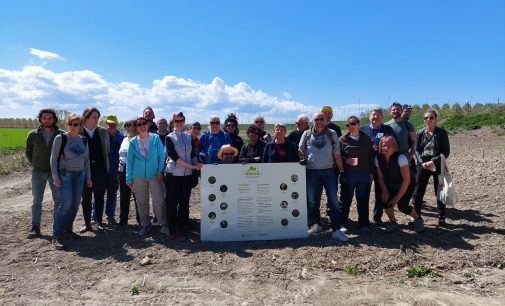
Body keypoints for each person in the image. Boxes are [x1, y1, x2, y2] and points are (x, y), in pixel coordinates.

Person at [298, 112, 348, 241]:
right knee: (313, 201)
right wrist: (302, 158)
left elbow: (337, 154)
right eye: (316, 119)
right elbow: (300, 149)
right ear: (313, 121)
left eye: (322, 119)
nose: (319, 121)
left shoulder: (332, 133)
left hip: (329, 171)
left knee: (333, 201)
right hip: (311, 172)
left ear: (325, 120)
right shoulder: (307, 134)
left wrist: (342, 172)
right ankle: (316, 225)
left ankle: (336, 229)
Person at [50, 114, 92, 250]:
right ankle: (56, 234)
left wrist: (88, 177)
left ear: (80, 126)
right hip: (65, 174)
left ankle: (68, 230)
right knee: (66, 203)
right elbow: (53, 159)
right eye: (70, 124)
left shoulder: (84, 140)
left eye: (76, 124)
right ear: (67, 124)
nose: (73, 127)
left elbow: (86, 161)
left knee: (74, 204)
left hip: (80, 175)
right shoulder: (61, 138)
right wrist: (55, 176)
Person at [25, 109, 63, 239]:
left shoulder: (61, 134)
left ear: (54, 119)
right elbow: (28, 151)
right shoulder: (33, 135)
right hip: (38, 172)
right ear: (40, 119)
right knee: (37, 200)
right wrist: (35, 162)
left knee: (58, 201)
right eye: (44, 118)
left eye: (50, 118)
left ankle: (57, 229)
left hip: (55, 173)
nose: (47, 120)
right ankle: (35, 227)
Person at [126, 117, 167, 236]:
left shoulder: (155, 138)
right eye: (139, 124)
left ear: (147, 124)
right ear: (136, 127)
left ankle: (163, 224)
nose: (142, 126)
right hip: (138, 176)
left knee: (159, 200)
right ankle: (145, 225)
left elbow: (161, 155)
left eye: (144, 123)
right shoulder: (133, 142)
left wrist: (160, 170)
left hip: (155, 174)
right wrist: (129, 178)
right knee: (141, 202)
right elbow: (129, 161)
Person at [165, 112, 203, 241]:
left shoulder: (188, 136)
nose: (179, 123)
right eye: (176, 121)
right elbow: (174, 157)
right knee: (172, 203)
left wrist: (195, 162)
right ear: (173, 122)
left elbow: (192, 153)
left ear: (184, 121)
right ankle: (172, 230)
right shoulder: (169, 137)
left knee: (184, 202)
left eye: (181, 120)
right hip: (173, 174)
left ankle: (182, 228)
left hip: (187, 175)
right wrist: (192, 167)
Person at [375, 136, 424, 233]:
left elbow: (406, 180)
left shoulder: (401, 158)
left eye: (389, 146)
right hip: (391, 182)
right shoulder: (378, 158)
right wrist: (384, 191)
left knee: (402, 206)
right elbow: (380, 177)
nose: (386, 148)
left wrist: (397, 198)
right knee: (385, 201)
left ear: (394, 147)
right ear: (380, 147)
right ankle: (393, 222)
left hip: (407, 183)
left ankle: (418, 219)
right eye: (384, 145)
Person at [360, 107, 396, 226]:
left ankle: (377, 217)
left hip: (382, 166)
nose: (375, 117)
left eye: (377, 115)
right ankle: (363, 218)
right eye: (373, 115)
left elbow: (394, 145)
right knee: (364, 192)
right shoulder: (363, 129)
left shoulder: (387, 129)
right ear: (369, 117)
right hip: (366, 166)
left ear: (382, 117)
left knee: (380, 192)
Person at [414, 109, 450, 226]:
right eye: (426, 118)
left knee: (440, 191)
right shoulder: (420, 133)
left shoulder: (441, 133)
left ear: (436, 119)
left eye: (431, 117)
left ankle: (441, 216)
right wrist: (421, 162)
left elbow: (446, 152)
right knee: (419, 191)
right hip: (423, 165)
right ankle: (416, 216)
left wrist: (433, 161)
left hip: (438, 164)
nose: (428, 120)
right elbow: (416, 150)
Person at [339, 116, 374, 234]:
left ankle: (363, 223)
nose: (351, 126)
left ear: (359, 124)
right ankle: (342, 222)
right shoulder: (342, 140)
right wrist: (345, 160)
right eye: (348, 125)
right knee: (345, 199)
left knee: (363, 199)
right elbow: (337, 157)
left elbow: (371, 157)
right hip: (349, 174)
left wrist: (371, 172)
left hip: (364, 173)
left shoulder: (366, 139)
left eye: (353, 123)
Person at [79, 107, 110, 233]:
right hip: (83, 170)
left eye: (97, 117)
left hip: (100, 169)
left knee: (99, 197)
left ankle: (99, 222)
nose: (96, 120)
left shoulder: (103, 132)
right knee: (85, 198)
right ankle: (87, 224)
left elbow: (107, 150)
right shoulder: (79, 132)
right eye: (93, 117)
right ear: (86, 118)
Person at [103, 114, 125, 226]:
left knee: (112, 195)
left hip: (114, 170)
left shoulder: (121, 136)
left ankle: (110, 217)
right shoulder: (101, 134)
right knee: (98, 195)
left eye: (113, 124)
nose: (111, 126)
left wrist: (114, 135)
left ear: (116, 124)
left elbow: (124, 144)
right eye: (109, 124)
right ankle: (95, 217)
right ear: (105, 124)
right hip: (101, 170)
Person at [118, 119, 139, 227]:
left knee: (137, 196)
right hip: (122, 170)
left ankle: (141, 220)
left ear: (135, 126)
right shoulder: (124, 139)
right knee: (124, 195)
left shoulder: (138, 140)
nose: (126, 127)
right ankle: (123, 220)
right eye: (125, 125)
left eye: (129, 125)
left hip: (134, 170)